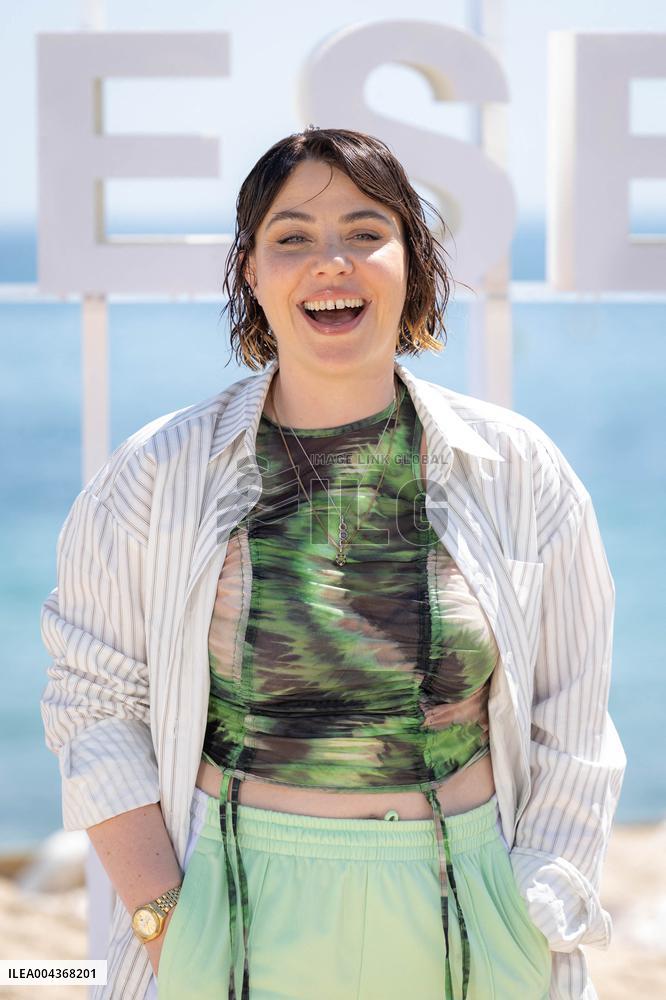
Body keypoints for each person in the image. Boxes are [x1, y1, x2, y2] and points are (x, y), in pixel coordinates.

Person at [40, 127, 626, 1000]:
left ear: (411, 262)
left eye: (365, 232)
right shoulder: (158, 471)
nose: (331, 262)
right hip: (234, 902)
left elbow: (572, 715)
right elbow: (93, 699)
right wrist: (164, 919)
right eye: (292, 238)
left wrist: (530, 905)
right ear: (251, 271)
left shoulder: (518, 468)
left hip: (466, 903)